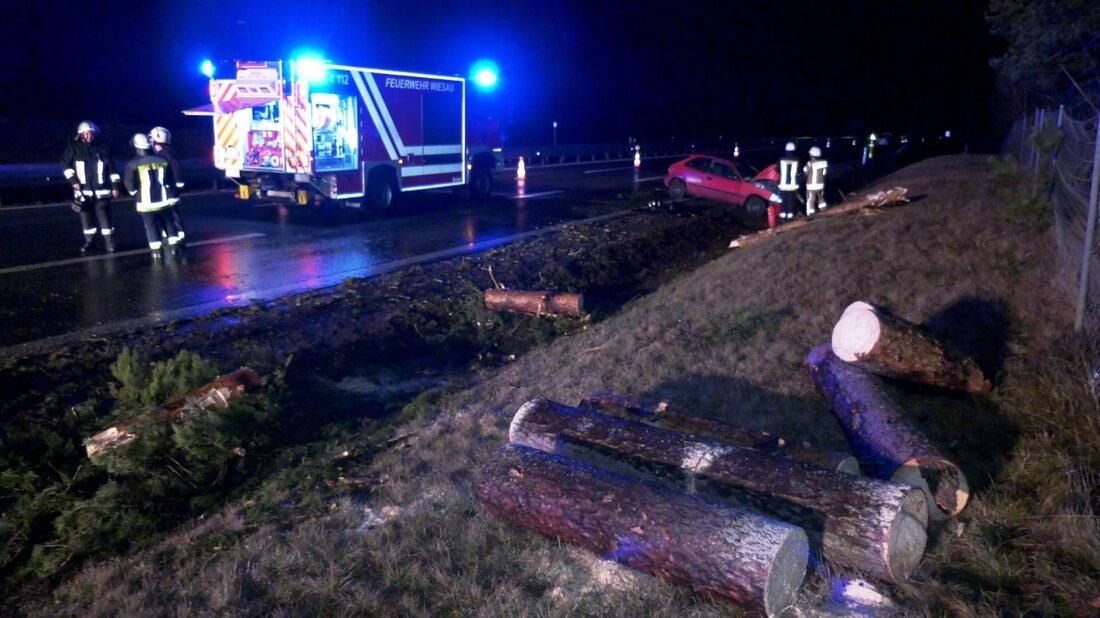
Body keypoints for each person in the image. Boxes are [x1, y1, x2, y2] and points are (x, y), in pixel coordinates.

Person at [61, 121, 121, 253]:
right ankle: (90, 242)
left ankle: (110, 244)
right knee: (86, 220)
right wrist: (73, 181)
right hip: (83, 194)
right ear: (81, 134)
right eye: (87, 133)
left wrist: (115, 187)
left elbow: (112, 170)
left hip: (102, 193)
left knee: (105, 219)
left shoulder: (103, 149)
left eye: (92, 133)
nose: (89, 136)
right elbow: (66, 166)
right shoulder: (73, 149)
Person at [124, 133, 179, 256]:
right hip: (165, 200)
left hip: (146, 203)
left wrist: (134, 193)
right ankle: (175, 249)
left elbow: (130, 185)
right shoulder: (162, 160)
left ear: (136, 146)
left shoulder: (132, 164)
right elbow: (170, 179)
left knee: (151, 226)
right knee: (169, 223)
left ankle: (157, 253)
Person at [149, 126, 186, 244]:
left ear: (156, 141)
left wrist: (175, 188)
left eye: (151, 140)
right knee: (169, 216)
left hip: (170, 191)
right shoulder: (167, 155)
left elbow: (177, 174)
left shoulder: (165, 157)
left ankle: (179, 239)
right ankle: (172, 237)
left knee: (173, 216)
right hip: (168, 190)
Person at [777, 142, 801, 224]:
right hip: (793, 185)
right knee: (791, 200)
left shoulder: (781, 159)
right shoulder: (797, 159)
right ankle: (790, 217)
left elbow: (777, 170)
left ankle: (782, 217)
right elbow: (798, 172)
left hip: (783, 185)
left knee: (783, 200)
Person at [804, 146, 829, 215]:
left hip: (811, 186)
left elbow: (805, 172)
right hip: (821, 185)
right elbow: (825, 174)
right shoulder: (824, 163)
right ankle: (823, 210)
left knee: (810, 199)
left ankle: (810, 213)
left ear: (812, 155)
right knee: (820, 198)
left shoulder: (810, 163)